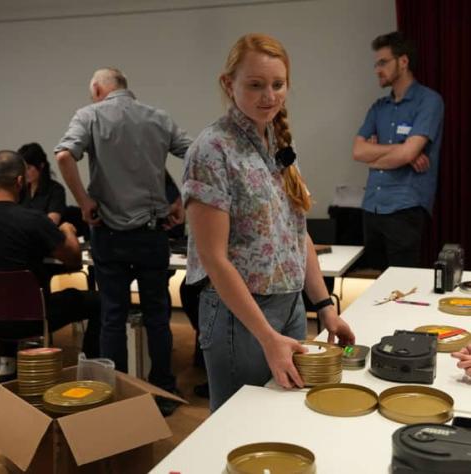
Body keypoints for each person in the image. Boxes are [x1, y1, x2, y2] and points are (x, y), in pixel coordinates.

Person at [182, 33, 355, 412]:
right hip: (239, 316)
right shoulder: (212, 149)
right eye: (255, 85)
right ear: (229, 84)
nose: (269, 96)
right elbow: (214, 259)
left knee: (280, 415)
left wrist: (324, 306)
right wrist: (266, 336)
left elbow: (298, 233)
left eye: (278, 85)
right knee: (238, 424)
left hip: (291, 305)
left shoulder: (279, 144)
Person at [54, 67, 192, 416]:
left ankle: (115, 393)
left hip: (109, 235)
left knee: (113, 317)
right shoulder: (158, 117)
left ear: (99, 89)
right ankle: (163, 392)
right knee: (158, 317)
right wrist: (182, 202)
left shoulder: (89, 115)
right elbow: (197, 155)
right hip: (152, 233)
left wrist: (84, 202)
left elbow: (64, 155)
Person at [0, 150, 100, 379]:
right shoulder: (32, 220)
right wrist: (68, 230)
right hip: (32, 318)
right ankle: (91, 372)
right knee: (101, 302)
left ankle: (7, 362)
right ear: (20, 181)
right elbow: (73, 261)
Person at [353, 31, 444, 271]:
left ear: (403, 62)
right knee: (373, 284)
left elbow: (406, 154)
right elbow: (358, 152)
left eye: (383, 62)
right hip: (372, 205)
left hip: (405, 207)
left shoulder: (429, 101)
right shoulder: (378, 107)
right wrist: (400, 150)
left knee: (402, 287)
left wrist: (382, 152)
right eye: (376, 64)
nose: (377, 69)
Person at [18, 142, 66, 225]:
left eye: (28, 168)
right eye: (23, 168)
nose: (25, 172)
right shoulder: (22, 188)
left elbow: (51, 223)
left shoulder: (56, 190)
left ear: (41, 165)